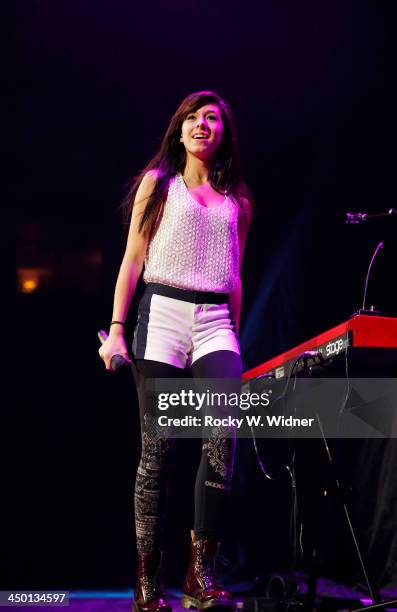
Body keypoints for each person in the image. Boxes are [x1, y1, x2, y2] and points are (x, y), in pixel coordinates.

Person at [99, 90, 253, 612]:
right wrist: (118, 329)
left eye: (212, 118)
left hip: (215, 321)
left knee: (221, 441)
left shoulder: (238, 202)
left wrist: (236, 334)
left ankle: (200, 574)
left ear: (224, 133)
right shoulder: (158, 186)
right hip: (161, 315)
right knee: (158, 451)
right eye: (193, 117)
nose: (201, 124)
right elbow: (132, 260)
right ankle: (148, 583)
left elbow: (235, 276)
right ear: (180, 130)